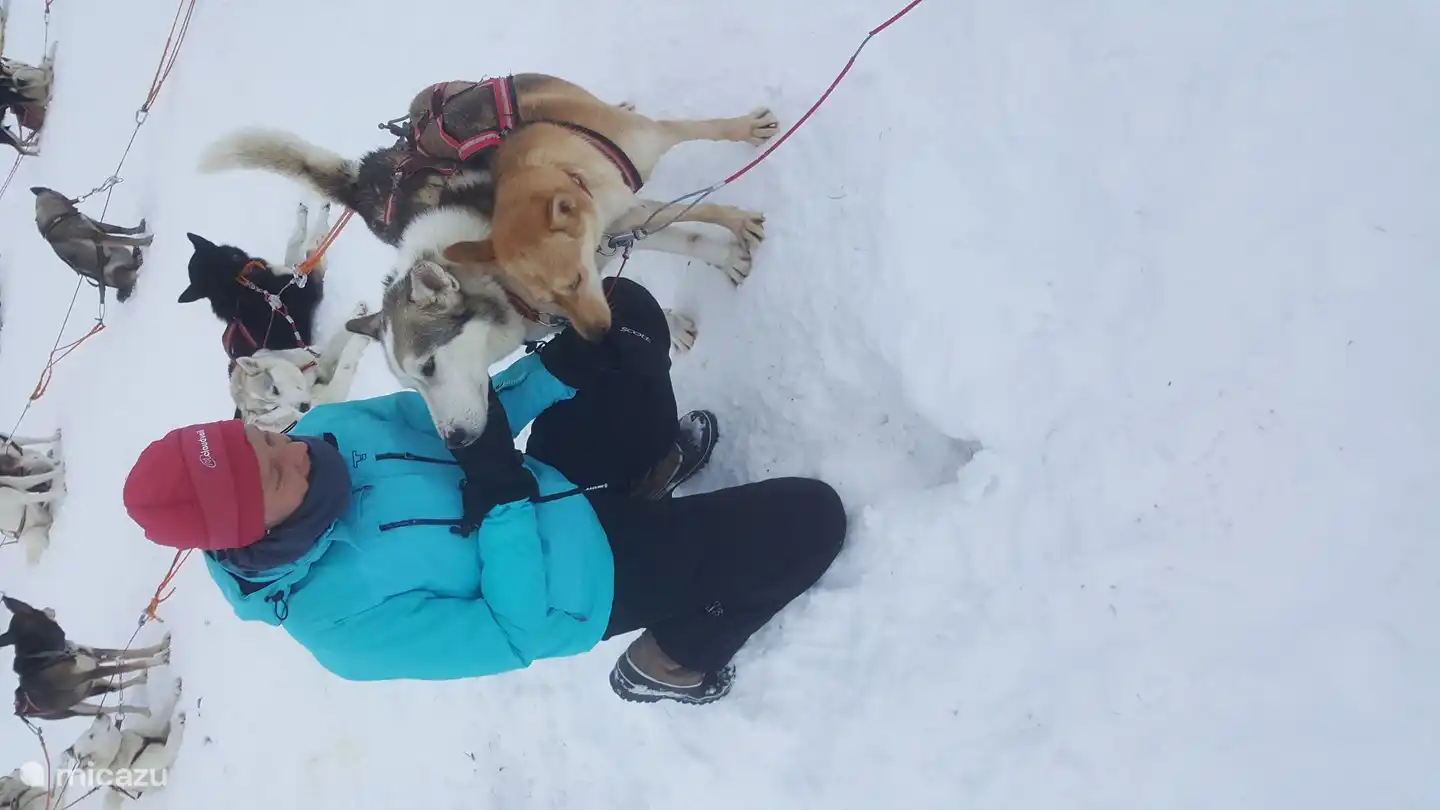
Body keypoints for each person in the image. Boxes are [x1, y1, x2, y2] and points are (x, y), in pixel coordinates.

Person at [122, 278, 846, 705]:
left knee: (621, 312)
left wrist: (560, 368)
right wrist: (501, 505)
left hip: (550, 485)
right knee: (811, 521)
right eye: (277, 476)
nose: (297, 454)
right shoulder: (342, 632)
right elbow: (514, 634)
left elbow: (457, 419)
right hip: (586, 584)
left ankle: (645, 473)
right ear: (246, 531)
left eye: (268, 440)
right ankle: (673, 660)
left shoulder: (330, 433)